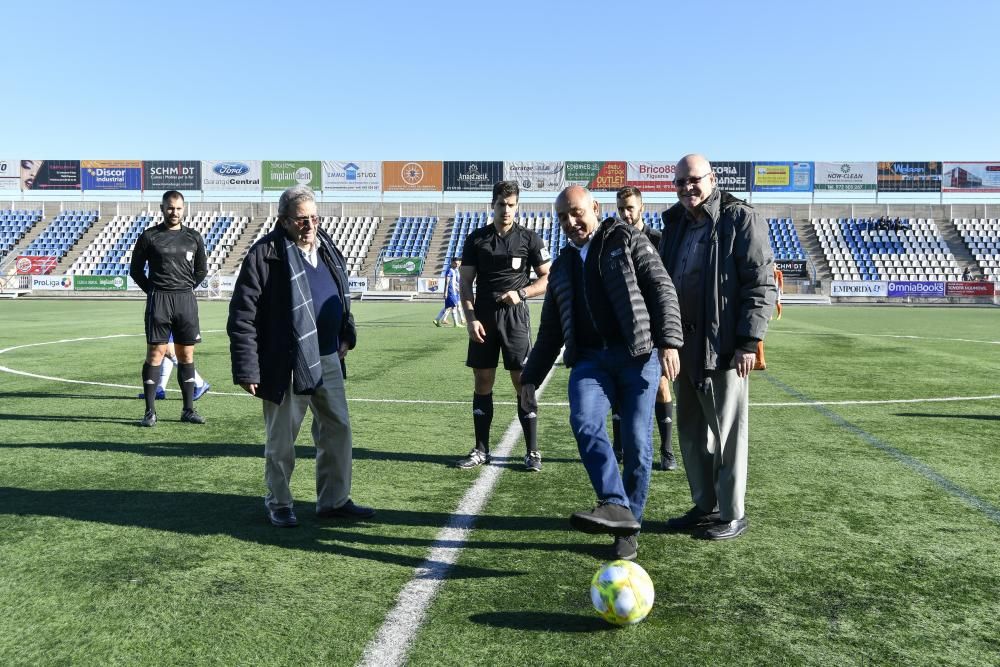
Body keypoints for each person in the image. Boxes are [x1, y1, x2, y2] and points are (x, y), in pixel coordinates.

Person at [519, 185, 682, 561]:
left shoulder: (626, 239)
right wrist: (530, 377)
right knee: (585, 422)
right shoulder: (561, 265)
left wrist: (669, 341)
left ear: (594, 207)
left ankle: (628, 530)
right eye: (562, 217)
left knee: (638, 444)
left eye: (576, 212)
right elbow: (550, 331)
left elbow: (661, 287)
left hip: (638, 356)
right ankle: (613, 502)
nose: (570, 222)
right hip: (591, 361)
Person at [228, 185, 374, 528]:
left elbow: (341, 297)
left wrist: (346, 335)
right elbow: (242, 315)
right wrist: (248, 367)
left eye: (314, 217)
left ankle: (334, 501)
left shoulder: (328, 250)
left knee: (338, 430)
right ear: (283, 221)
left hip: (328, 357)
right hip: (287, 361)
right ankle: (279, 502)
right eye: (301, 219)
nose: (309, 225)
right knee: (282, 440)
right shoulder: (265, 255)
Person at [659, 154, 776, 541]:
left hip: (723, 347)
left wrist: (748, 341)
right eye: (679, 183)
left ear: (712, 179)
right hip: (682, 346)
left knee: (727, 434)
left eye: (693, 180)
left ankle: (732, 513)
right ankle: (704, 505)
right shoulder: (674, 222)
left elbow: (760, 284)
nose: (686, 188)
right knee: (691, 434)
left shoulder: (740, 218)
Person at [457, 180, 551, 472]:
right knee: (482, 382)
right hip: (483, 318)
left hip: (515, 319)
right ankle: (481, 449)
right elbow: (465, 283)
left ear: (517, 206)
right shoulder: (476, 239)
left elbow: (548, 278)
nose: (506, 210)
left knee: (523, 384)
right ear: (493, 204)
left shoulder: (530, 239)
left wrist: (521, 293)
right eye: (501, 204)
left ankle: (532, 451)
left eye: (511, 205)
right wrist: (471, 318)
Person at [612, 186, 678, 471]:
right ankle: (619, 448)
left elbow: (667, 287)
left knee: (662, 386)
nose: (625, 214)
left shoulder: (660, 241)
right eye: (621, 209)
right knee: (617, 387)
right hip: (620, 327)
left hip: (652, 328)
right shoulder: (611, 240)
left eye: (630, 208)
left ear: (642, 207)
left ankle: (666, 450)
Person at [129, 190, 208, 427]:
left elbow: (201, 270)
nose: (174, 212)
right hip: (159, 300)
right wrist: (153, 291)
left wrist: (184, 288)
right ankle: (150, 412)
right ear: (162, 209)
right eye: (170, 208)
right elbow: (135, 270)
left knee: (186, 355)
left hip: (185, 300)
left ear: (184, 209)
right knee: (156, 353)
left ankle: (188, 410)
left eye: (178, 208)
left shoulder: (194, 237)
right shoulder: (149, 236)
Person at [134, 334, 210, 400]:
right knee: (164, 348)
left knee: (167, 349)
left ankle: (200, 383)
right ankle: (159, 389)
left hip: (166, 318)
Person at [433, 257, 465, 327]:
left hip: (454, 291)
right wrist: (445, 292)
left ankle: (437, 319)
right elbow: (447, 282)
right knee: (454, 306)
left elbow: (454, 282)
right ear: (452, 263)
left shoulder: (455, 270)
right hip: (451, 292)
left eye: (459, 263)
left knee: (447, 307)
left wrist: (457, 288)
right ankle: (456, 324)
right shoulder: (450, 271)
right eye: (456, 263)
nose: (457, 265)